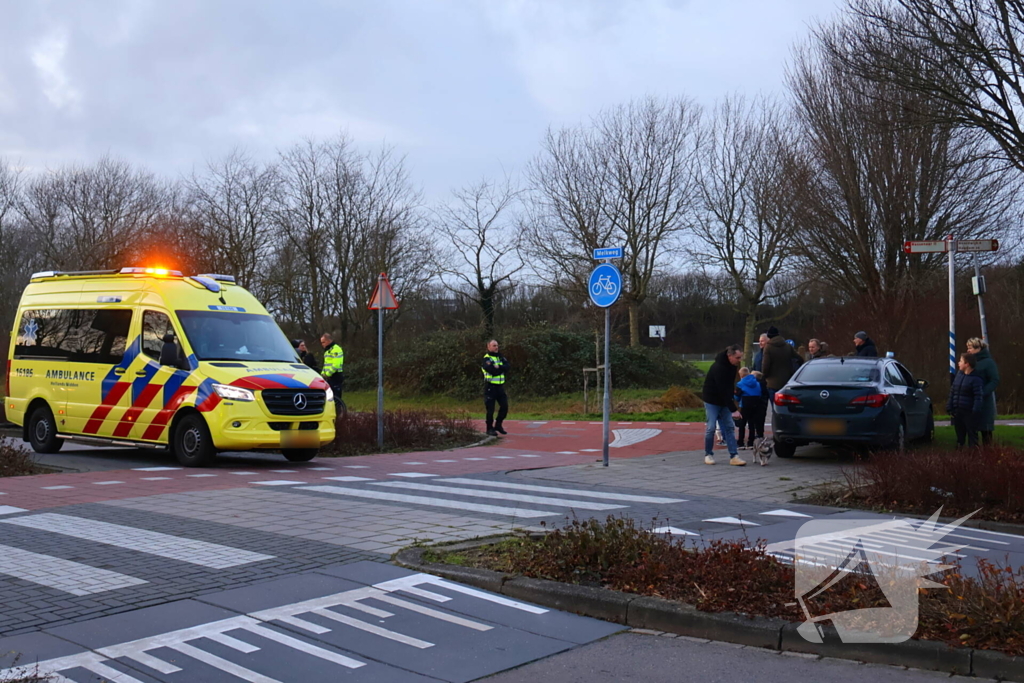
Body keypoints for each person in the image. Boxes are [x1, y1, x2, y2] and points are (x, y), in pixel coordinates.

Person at [701, 345, 746, 466]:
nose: (739, 360)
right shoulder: (718, 368)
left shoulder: (733, 366)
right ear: (729, 356)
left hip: (724, 400)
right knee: (711, 428)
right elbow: (722, 389)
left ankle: (734, 456)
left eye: (740, 357)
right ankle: (708, 454)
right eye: (737, 357)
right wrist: (734, 409)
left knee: (730, 427)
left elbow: (728, 386)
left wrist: (733, 394)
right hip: (712, 400)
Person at [966, 337, 1000, 445]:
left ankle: (988, 455)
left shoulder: (988, 363)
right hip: (970, 401)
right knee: (972, 429)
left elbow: (994, 380)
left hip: (984, 402)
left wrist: (982, 393)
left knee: (986, 430)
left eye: (970, 347)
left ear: (978, 348)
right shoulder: (969, 362)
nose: (968, 350)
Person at [947, 353, 984, 449]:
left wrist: (975, 410)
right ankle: (960, 452)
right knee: (959, 434)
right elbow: (953, 391)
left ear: (967, 364)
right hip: (958, 410)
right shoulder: (959, 376)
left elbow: (978, 396)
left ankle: (974, 454)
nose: (958, 363)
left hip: (969, 411)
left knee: (972, 434)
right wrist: (950, 405)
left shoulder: (976, 379)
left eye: (961, 361)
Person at [761, 326, 802, 403]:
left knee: (775, 408)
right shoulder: (788, 346)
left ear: (769, 336)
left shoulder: (768, 347)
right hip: (787, 382)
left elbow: (765, 366)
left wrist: (764, 377)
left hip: (772, 383)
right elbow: (799, 359)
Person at [482, 339, 509, 437]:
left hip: (500, 387)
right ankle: (489, 428)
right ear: (488, 347)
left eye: (497, 345)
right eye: (494, 345)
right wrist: (500, 369)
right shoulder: (486, 359)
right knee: (490, 409)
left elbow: (507, 367)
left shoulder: (501, 357)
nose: (496, 347)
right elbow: (492, 370)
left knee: (505, 406)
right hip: (490, 387)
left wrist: (499, 367)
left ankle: (498, 425)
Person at [736, 367, 766, 449]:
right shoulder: (757, 383)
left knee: (742, 424)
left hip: (745, 405)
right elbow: (760, 394)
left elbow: (737, 397)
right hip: (755, 405)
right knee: (751, 424)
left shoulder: (740, 384)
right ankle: (750, 443)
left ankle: (741, 443)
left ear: (741, 375)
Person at [320, 333, 345, 407]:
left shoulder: (336, 349)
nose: (322, 344)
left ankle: (338, 413)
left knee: (336, 397)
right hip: (329, 377)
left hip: (335, 376)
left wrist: (327, 374)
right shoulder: (328, 350)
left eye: (323, 342)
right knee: (329, 397)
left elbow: (336, 365)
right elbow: (326, 364)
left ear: (328, 341)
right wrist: (322, 374)